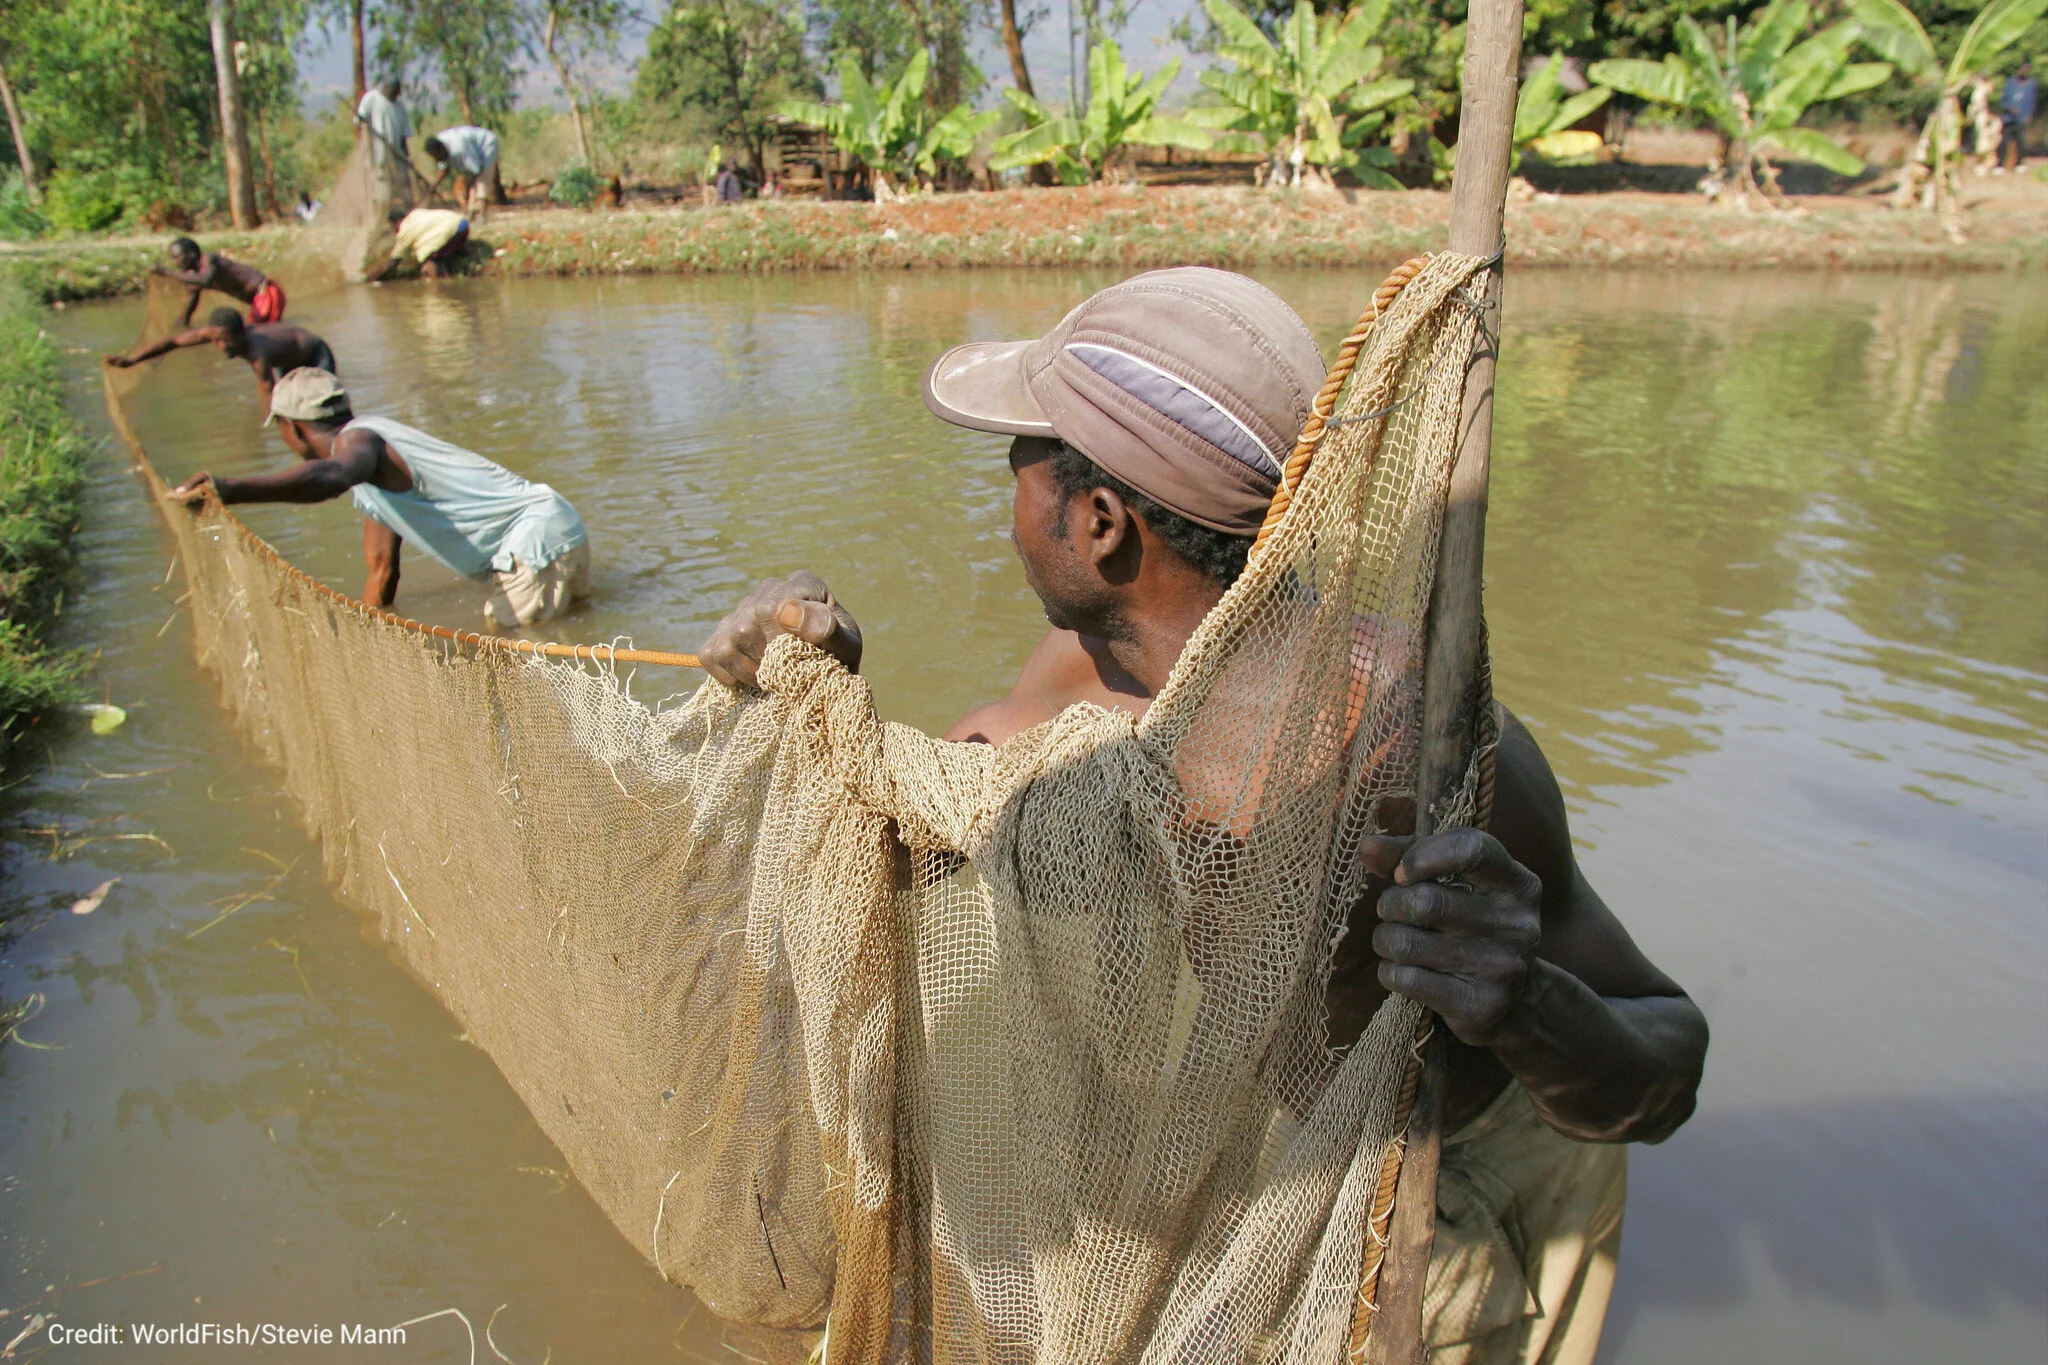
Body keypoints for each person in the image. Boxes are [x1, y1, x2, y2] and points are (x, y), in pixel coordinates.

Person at [698, 269, 1709, 1365]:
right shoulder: (1082, 673)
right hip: (1232, 1149)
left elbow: (1663, 1070)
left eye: (1016, 473)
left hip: (1428, 1199)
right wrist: (815, 696)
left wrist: (1523, 1004)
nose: (1007, 512)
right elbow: (929, 838)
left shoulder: (1422, 761)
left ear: (1100, 526)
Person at [167, 369, 590, 628]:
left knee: (514, 659)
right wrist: (365, 634)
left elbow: (331, 478)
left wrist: (230, 489)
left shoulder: (358, 444)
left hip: (530, 545)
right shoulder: (372, 471)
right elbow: (383, 571)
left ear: (291, 428)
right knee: (565, 637)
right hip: (554, 529)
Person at [105, 308, 337, 407]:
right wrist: (133, 360)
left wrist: (268, 427)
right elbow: (172, 342)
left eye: (227, 340)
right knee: (295, 403)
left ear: (242, 334)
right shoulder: (214, 332)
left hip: (315, 354)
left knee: (325, 404)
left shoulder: (257, 353)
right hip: (289, 360)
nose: (221, 346)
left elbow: (266, 389)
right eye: (216, 340)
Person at [154, 237, 285, 327]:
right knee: (259, 331)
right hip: (258, 300)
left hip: (266, 293)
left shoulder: (208, 260)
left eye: (176, 257)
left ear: (191, 255)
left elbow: (206, 279)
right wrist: (182, 323)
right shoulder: (194, 277)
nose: (174, 262)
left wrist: (167, 273)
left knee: (258, 334)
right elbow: (190, 302)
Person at [422, 125, 502, 218]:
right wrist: (433, 187)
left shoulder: (459, 148)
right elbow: (443, 169)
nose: (437, 160)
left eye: (437, 156)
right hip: (471, 147)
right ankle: (472, 211)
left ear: (441, 150)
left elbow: (476, 170)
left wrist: (469, 190)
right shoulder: (439, 144)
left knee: (484, 178)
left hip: (486, 143)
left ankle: (481, 213)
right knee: (475, 183)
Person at [370, 206, 470, 280]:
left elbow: (395, 259)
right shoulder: (415, 214)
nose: (393, 231)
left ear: (397, 223)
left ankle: (435, 286)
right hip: (463, 224)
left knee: (428, 258)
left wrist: (375, 277)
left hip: (450, 231)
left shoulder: (405, 230)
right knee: (437, 251)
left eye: (392, 227)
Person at [355, 77, 411, 170]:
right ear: (386, 88)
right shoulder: (372, 98)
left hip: (395, 158)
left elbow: (403, 138)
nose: (395, 95)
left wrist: (407, 157)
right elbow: (359, 120)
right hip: (375, 154)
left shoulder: (401, 108)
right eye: (393, 92)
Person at [1999, 61, 2037, 172]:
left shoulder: (2031, 84)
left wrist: (2028, 114)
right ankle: (2000, 164)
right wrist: (2009, 108)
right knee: (2004, 141)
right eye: (2022, 69)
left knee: (2021, 142)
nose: (2024, 72)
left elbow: (2031, 101)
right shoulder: (2010, 83)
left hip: (2021, 118)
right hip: (2008, 118)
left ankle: (2019, 164)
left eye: (2027, 69)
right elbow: (2003, 100)